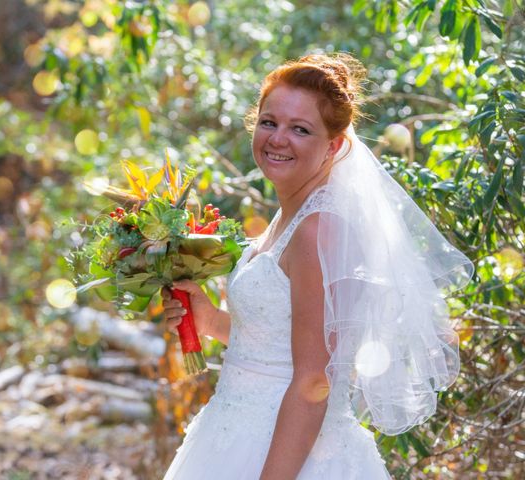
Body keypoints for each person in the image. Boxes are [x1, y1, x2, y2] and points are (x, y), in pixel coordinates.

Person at [160, 53, 473, 480]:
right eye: (269, 122)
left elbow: (314, 382)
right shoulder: (291, 213)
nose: (277, 139)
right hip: (234, 434)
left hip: (288, 456)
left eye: (300, 129)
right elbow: (285, 344)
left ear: (335, 145)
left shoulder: (318, 229)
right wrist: (210, 319)